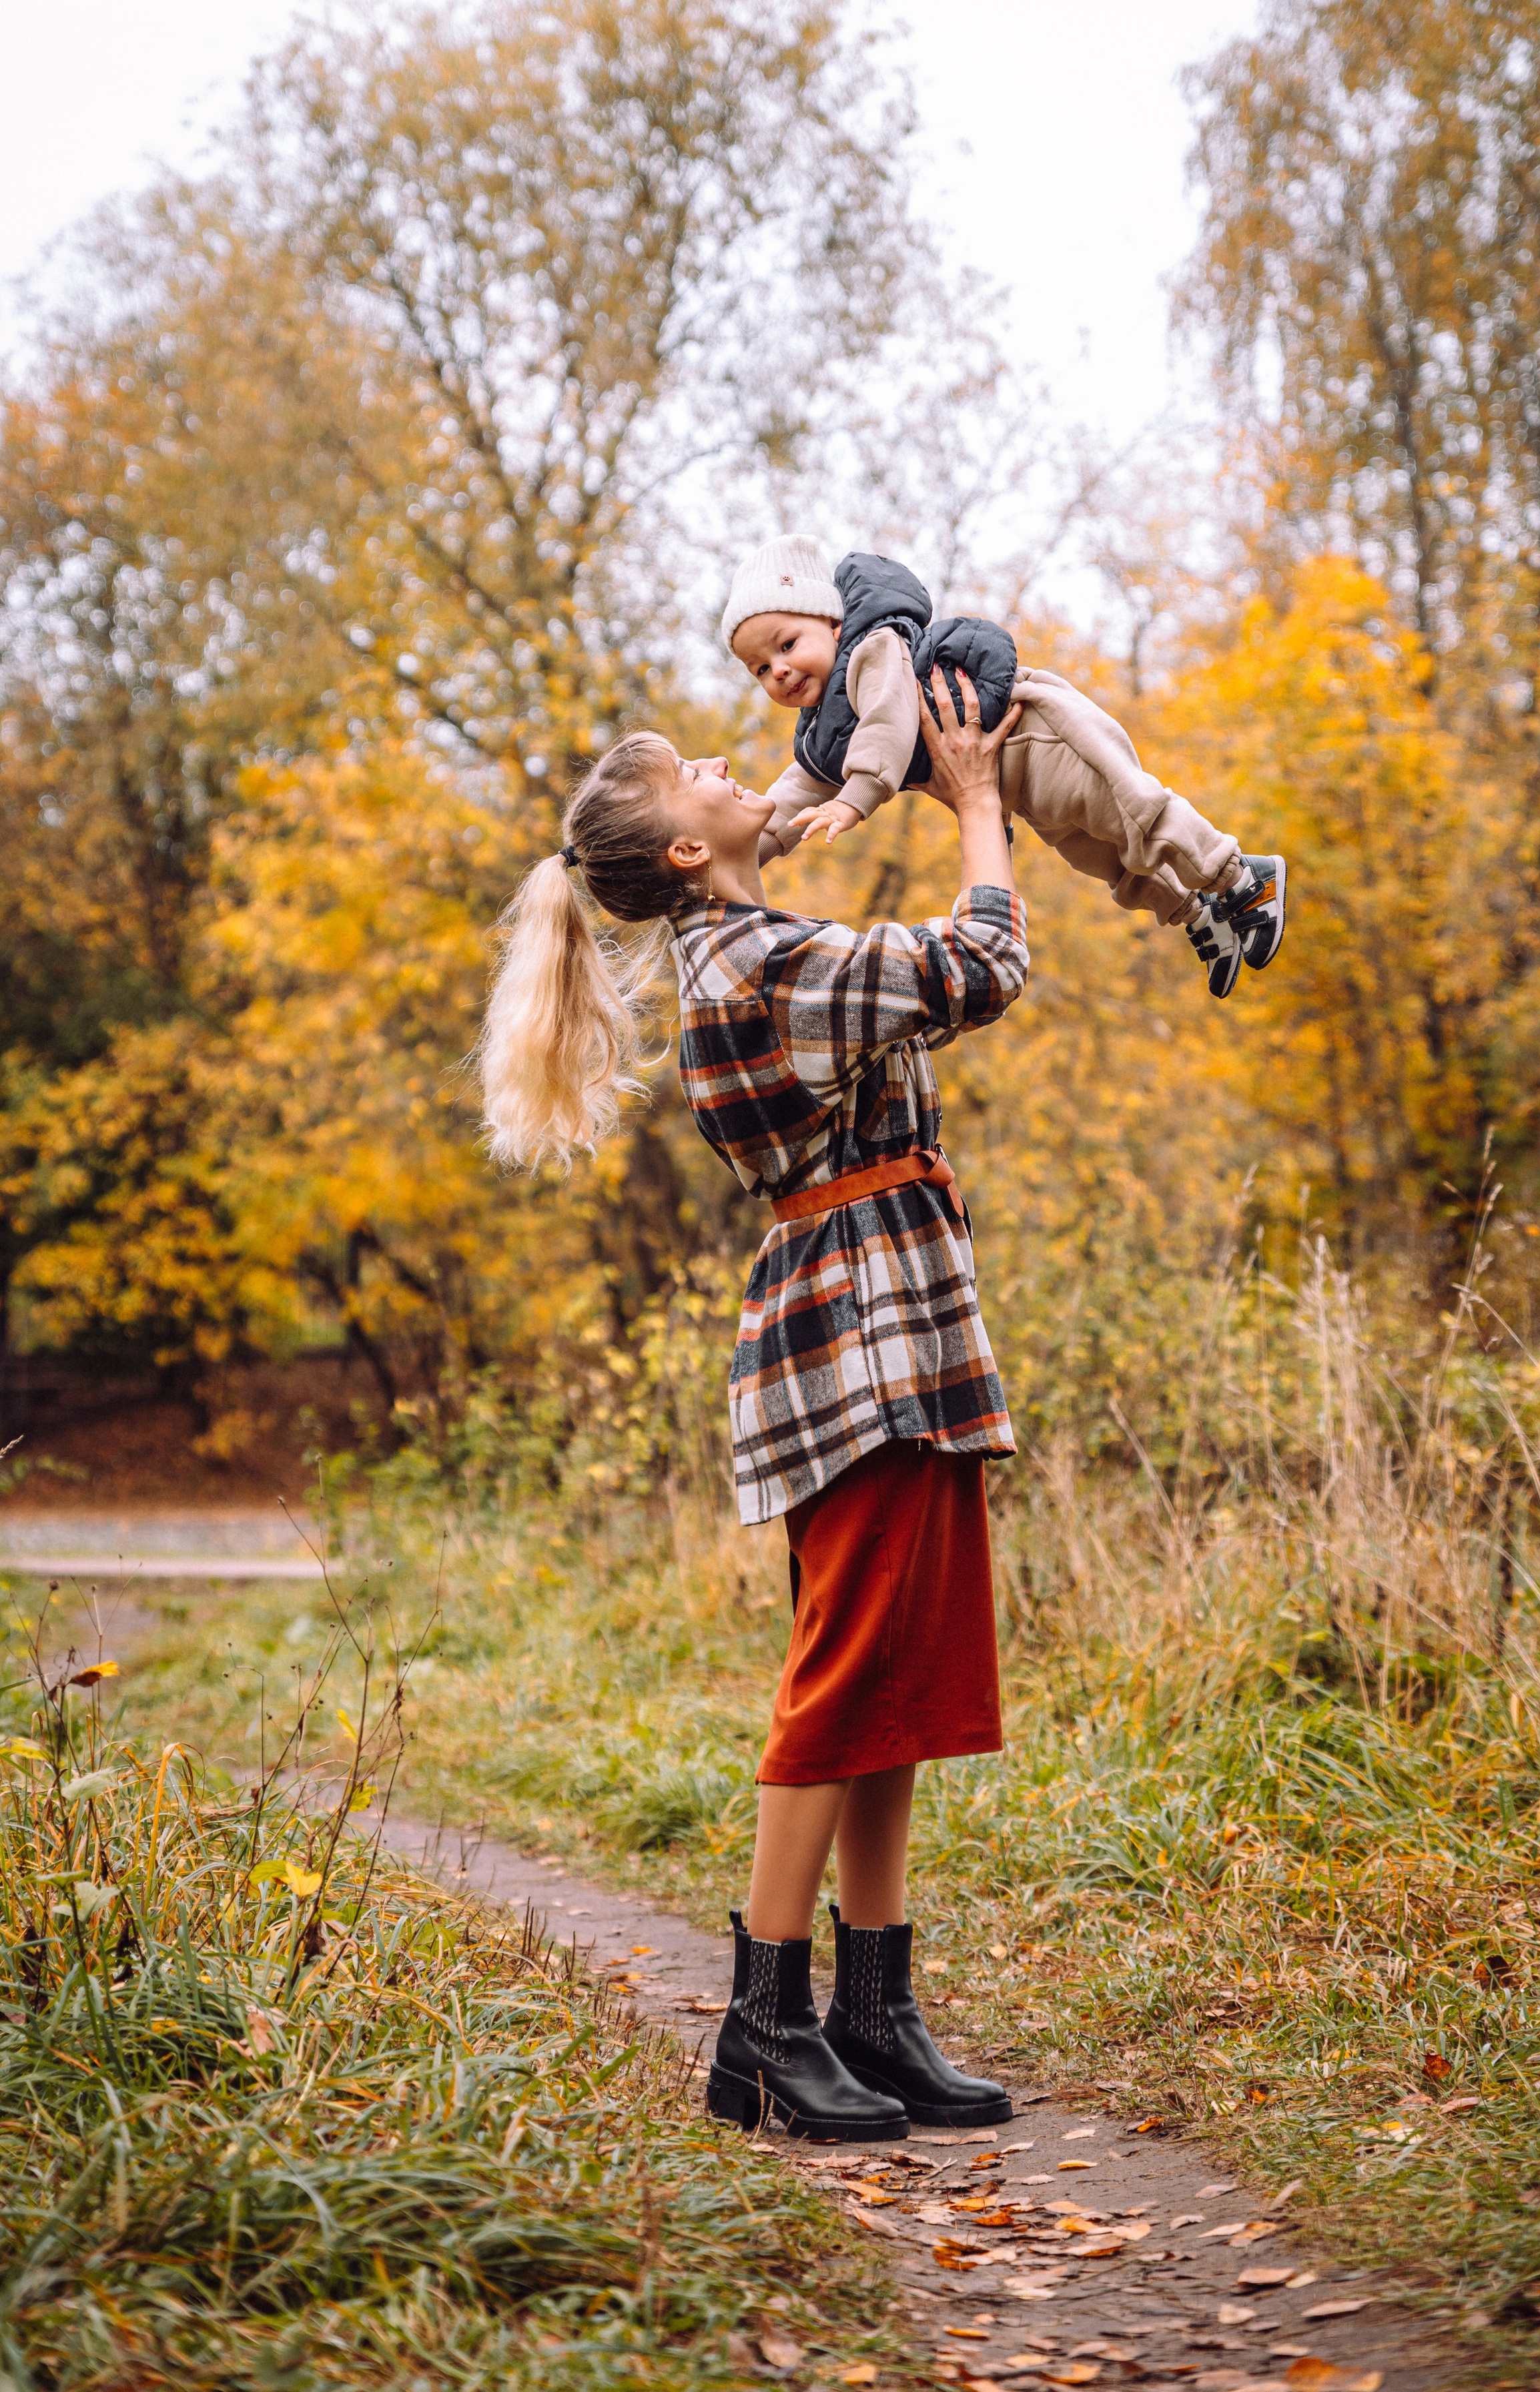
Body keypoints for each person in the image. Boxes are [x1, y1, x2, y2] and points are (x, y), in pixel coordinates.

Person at [478, 667, 1030, 2142]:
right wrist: (976, 803)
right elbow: (982, 963)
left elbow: (787, 815)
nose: (726, 762)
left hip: (886, 1317)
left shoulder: (750, 939)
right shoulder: (755, 966)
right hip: (856, 1337)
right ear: (677, 854)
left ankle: (871, 2009)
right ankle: (763, 2025)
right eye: (692, 772)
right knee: (846, 1670)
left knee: (896, 1677)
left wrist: (837, 776)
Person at [722, 533, 1287, 1000]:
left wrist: (854, 799)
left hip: (1034, 734)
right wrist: (745, 847)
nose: (779, 670)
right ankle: (1197, 914)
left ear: (833, 625)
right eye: (760, 669)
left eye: (788, 644)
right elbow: (794, 793)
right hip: (1010, 783)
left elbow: (890, 724)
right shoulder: (824, 729)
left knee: (1133, 814)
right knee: (1104, 858)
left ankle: (1240, 876)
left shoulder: (874, 649)